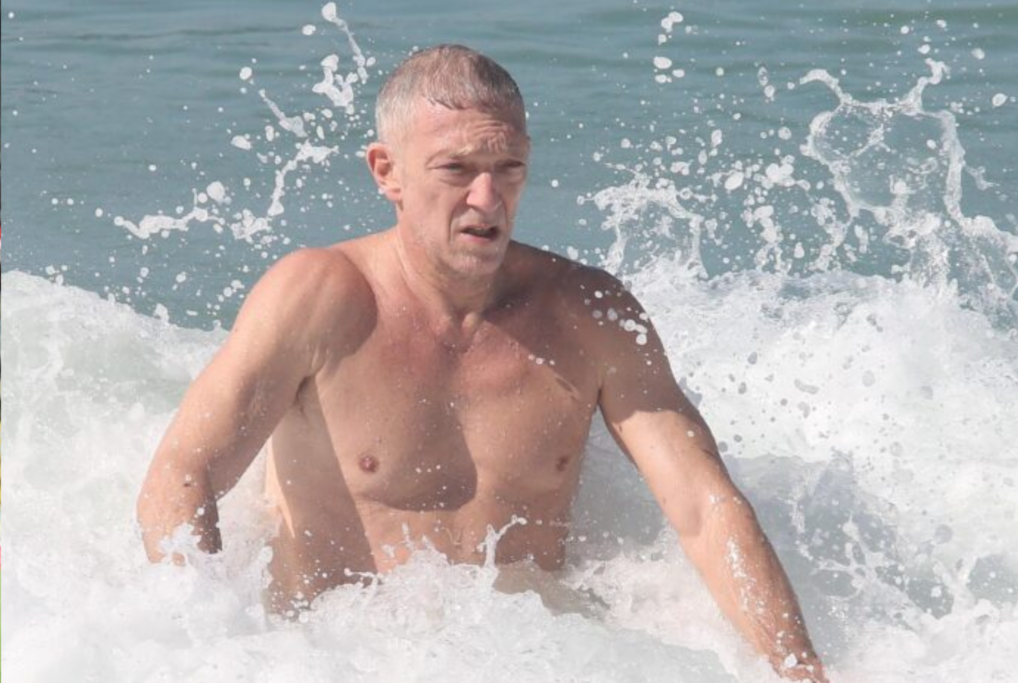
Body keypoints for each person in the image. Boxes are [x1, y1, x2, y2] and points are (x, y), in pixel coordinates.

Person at [137, 45, 828, 682]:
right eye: (456, 170)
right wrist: (209, 651)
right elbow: (183, 474)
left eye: (509, 169)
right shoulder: (317, 299)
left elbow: (704, 506)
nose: (488, 200)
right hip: (332, 660)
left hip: (533, 661)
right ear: (387, 171)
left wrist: (798, 668)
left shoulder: (588, 316)